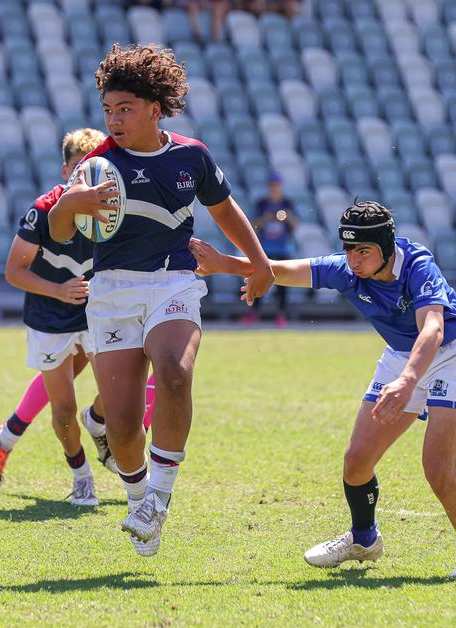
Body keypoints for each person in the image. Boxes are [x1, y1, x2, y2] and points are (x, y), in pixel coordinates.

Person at [189, 200, 456, 578]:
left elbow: (433, 329)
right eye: (349, 250)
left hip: (452, 353)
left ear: (386, 247)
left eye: (364, 251)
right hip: (401, 354)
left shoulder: (417, 265)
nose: (354, 260)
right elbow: (280, 270)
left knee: (437, 468)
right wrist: (224, 263)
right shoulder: (347, 272)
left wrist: (406, 381)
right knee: (356, 461)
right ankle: (364, 540)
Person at [48, 44, 274, 556]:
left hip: (174, 280)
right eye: (107, 110)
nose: (114, 119)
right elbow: (62, 233)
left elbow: (225, 208)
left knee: (174, 371)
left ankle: (159, 498)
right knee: (124, 427)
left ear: (154, 107)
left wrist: (258, 262)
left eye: (124, 109)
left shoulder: (190, 156)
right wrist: (72, 204)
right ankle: (137, 498)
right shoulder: (96, 166)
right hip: (111, 292)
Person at [0, 128, 156, 505]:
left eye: (94, 170)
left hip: (96, 313)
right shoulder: (43, 210)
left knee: (123, 387)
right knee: (62, 409)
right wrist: (59, 290)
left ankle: (97, 424)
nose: (87, 181)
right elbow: (14, 271)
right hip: (50, 315)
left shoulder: (115, 210)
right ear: (65, 171)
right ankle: (80, 475)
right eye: (79, 171)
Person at [248, 171, 298, 327]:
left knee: (282, 285)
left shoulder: (287, 203)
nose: (274, 188)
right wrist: (267, 218)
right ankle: (255, 313)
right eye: (272, 185)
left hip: (283, 249)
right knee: (259, 280)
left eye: (276, 185)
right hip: (265, 249)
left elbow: (296, 225)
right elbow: (253, 225)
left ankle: (281, 315)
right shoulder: (262, 204)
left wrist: (287, 216)